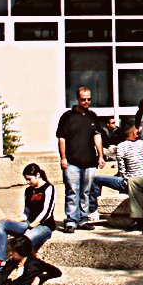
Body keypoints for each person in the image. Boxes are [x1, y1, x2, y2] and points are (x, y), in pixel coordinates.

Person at [55, 85, 103, 232]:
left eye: (89, 99)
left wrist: (101, 156)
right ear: (77, 99)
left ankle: (83, 219)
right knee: (72, 191)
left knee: (86, 192)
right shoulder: (67, 117)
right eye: (83, 99)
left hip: (90, 161)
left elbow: (97, 136)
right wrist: (63, 158)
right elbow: (61, 138)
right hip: (72, 162)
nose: (86, 102)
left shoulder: (92, 116)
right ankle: (71, 220)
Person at [0, 164, 56, 260]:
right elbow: (26, 214)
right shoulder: (28, 190)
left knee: (24, 241)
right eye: (26, 179)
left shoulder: (49, 188)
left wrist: (31, 227)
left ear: (37, 175)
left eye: (29, 179)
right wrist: (12, 219)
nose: (28, 182)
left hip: (44, 226)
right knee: (2, 224)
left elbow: (47, 213)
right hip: (28, 223)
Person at [93, 119, 143, 201]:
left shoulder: (121, 146)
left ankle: (93, 207)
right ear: (134, 133)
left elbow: (122, 172)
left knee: (96, 179)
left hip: (129, 183)